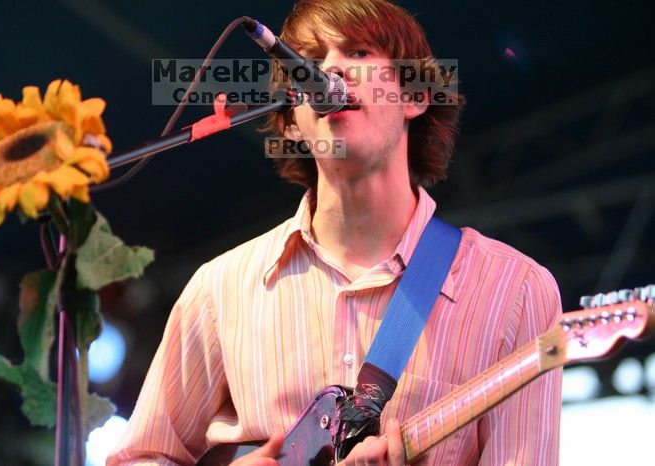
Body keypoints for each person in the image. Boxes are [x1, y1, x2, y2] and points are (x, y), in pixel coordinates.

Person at [107, 0, 562, 465]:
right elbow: (139, 457)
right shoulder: (218, 290)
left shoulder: (517, 292)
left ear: (415, 95)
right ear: (291, 122)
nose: (330, 71)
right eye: (309, 59)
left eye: (360, 53)